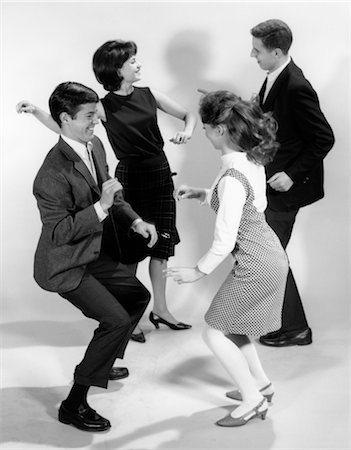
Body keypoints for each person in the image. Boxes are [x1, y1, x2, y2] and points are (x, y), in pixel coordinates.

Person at [16, 39, 197, 342]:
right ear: (116, 68)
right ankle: (132, 315)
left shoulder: (149, 94)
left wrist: (187, 131)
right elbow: (66, 127)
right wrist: (36, 111)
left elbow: (188, 116)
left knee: (162, 246)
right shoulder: (101, 106)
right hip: (129, 177)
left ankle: (161, 309)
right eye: (132, 61)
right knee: (129, 250)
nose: (138, 64)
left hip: (160, 173)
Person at [27, 81, 157, 431]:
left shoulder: (94, 144)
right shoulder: (51, 174)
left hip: (91, 251)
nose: (96, 121)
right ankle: (74, 404)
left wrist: (135, 219)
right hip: (65, 264)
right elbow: (58, 233)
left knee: (137, 296)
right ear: (65, 119)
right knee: (115, 321)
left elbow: (109, 191)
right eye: (88, 116)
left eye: (95, 113)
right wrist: (100, 207)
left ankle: (104, 359)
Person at [166, 90, 289, 427]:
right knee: (231, 327)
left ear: (220, 130)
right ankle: (262, 386)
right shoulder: (246, 161)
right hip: (268, 255)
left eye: (206, 127)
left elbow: (224, 240)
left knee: (214, 333)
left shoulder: (233, 175)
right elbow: (249, 204)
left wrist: (197, 271)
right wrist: (203, 194)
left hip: (256, 264)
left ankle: (252, 400)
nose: (203, 133)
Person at [249, 19, 335, 347]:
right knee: (269, 255)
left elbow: (324, 138)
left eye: (257, 50)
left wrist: (292, 174)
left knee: (270, 256)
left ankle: (296, 328)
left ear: (276, 51)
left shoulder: (297, 85)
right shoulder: (274, 76)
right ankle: (290, 324)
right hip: (271, 181)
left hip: (286, 186)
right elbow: (274, 118)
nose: (252, 55)